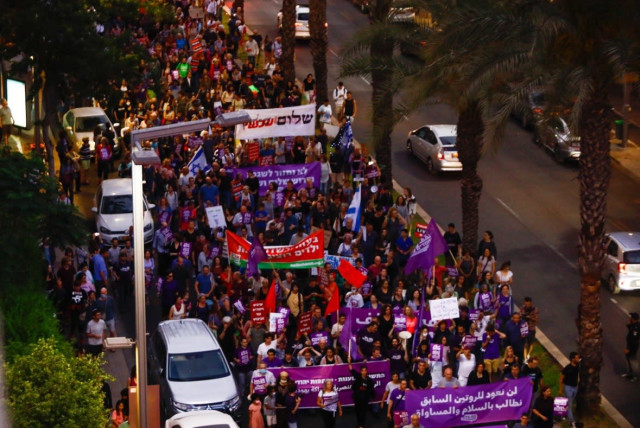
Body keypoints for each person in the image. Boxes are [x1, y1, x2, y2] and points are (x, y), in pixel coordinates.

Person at [348, 356, 375, 428]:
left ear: (367, 371)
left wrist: (372, 396)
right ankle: (359, 423)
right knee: (357, 411)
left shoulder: (369, 380)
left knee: (363, 412)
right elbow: (351, 369)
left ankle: (362, 425)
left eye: (365, 370)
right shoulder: (358, 377)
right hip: (357, 398)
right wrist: (349, 362)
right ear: (361, 371)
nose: (364, 372)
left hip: (365, 399)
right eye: (362, 370)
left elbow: (371, 389)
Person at [559, 351, 580, 426]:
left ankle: (563, 414)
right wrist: (561, 389)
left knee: (569, 402)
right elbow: (561, 379)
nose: (578, 359)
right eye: (577, 358)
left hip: (575, 387)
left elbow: (577, 374)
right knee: (570, 404)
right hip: (568, 387)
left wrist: (578, 380)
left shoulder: (578, 365)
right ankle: (572, 421)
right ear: (572, 359)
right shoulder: (567, 368)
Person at [623, 312, 640, 381]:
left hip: (633, 346)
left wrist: (628, 348)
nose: (629, 318)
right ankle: (630, 373)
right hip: (631, 344)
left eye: (631, 317)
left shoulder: (636, 327)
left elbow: (634, 339)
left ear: (633, 319)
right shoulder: (634, 325)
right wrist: (628, 325)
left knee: (632, 360)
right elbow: (630, 330)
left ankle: (634, 376)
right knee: (628, 358)